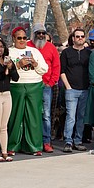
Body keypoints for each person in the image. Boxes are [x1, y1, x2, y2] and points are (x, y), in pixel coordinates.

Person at [8, 27, 49, 155]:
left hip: (34, 85)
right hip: (16, 85)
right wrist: (18, 64)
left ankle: (35, 146)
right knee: (15, 116)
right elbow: (5, 70)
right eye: (19, 38)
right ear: (13, 39)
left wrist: (35, 64)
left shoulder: (34, 51)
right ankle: (12, 145)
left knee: (34, 116)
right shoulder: (9, 51)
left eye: (24, 38)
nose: (22, 40)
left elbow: (45, 69)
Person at [27, 23, 61, 154]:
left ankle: (46, 141)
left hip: (46, 86)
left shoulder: (51, 48)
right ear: (33, 34)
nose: (41, 35)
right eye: (38, 33)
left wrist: (51, 83)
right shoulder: (27, 46)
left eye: (43, 33)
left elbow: (56, 67)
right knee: (31, 114)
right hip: (30, 85)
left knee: (46, 115)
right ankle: (32, 141)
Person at [59, 28, 91, 152]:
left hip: (85, 90)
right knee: (70, 116)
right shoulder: (67, 52)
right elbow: (62, 71)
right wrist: (68, 87)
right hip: (71, 90)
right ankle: (68, 141)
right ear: (73, 38)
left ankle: (78, 140)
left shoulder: (89, 53)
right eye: (77, 36)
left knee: (81, 117)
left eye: (82, 36)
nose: (80, 38)